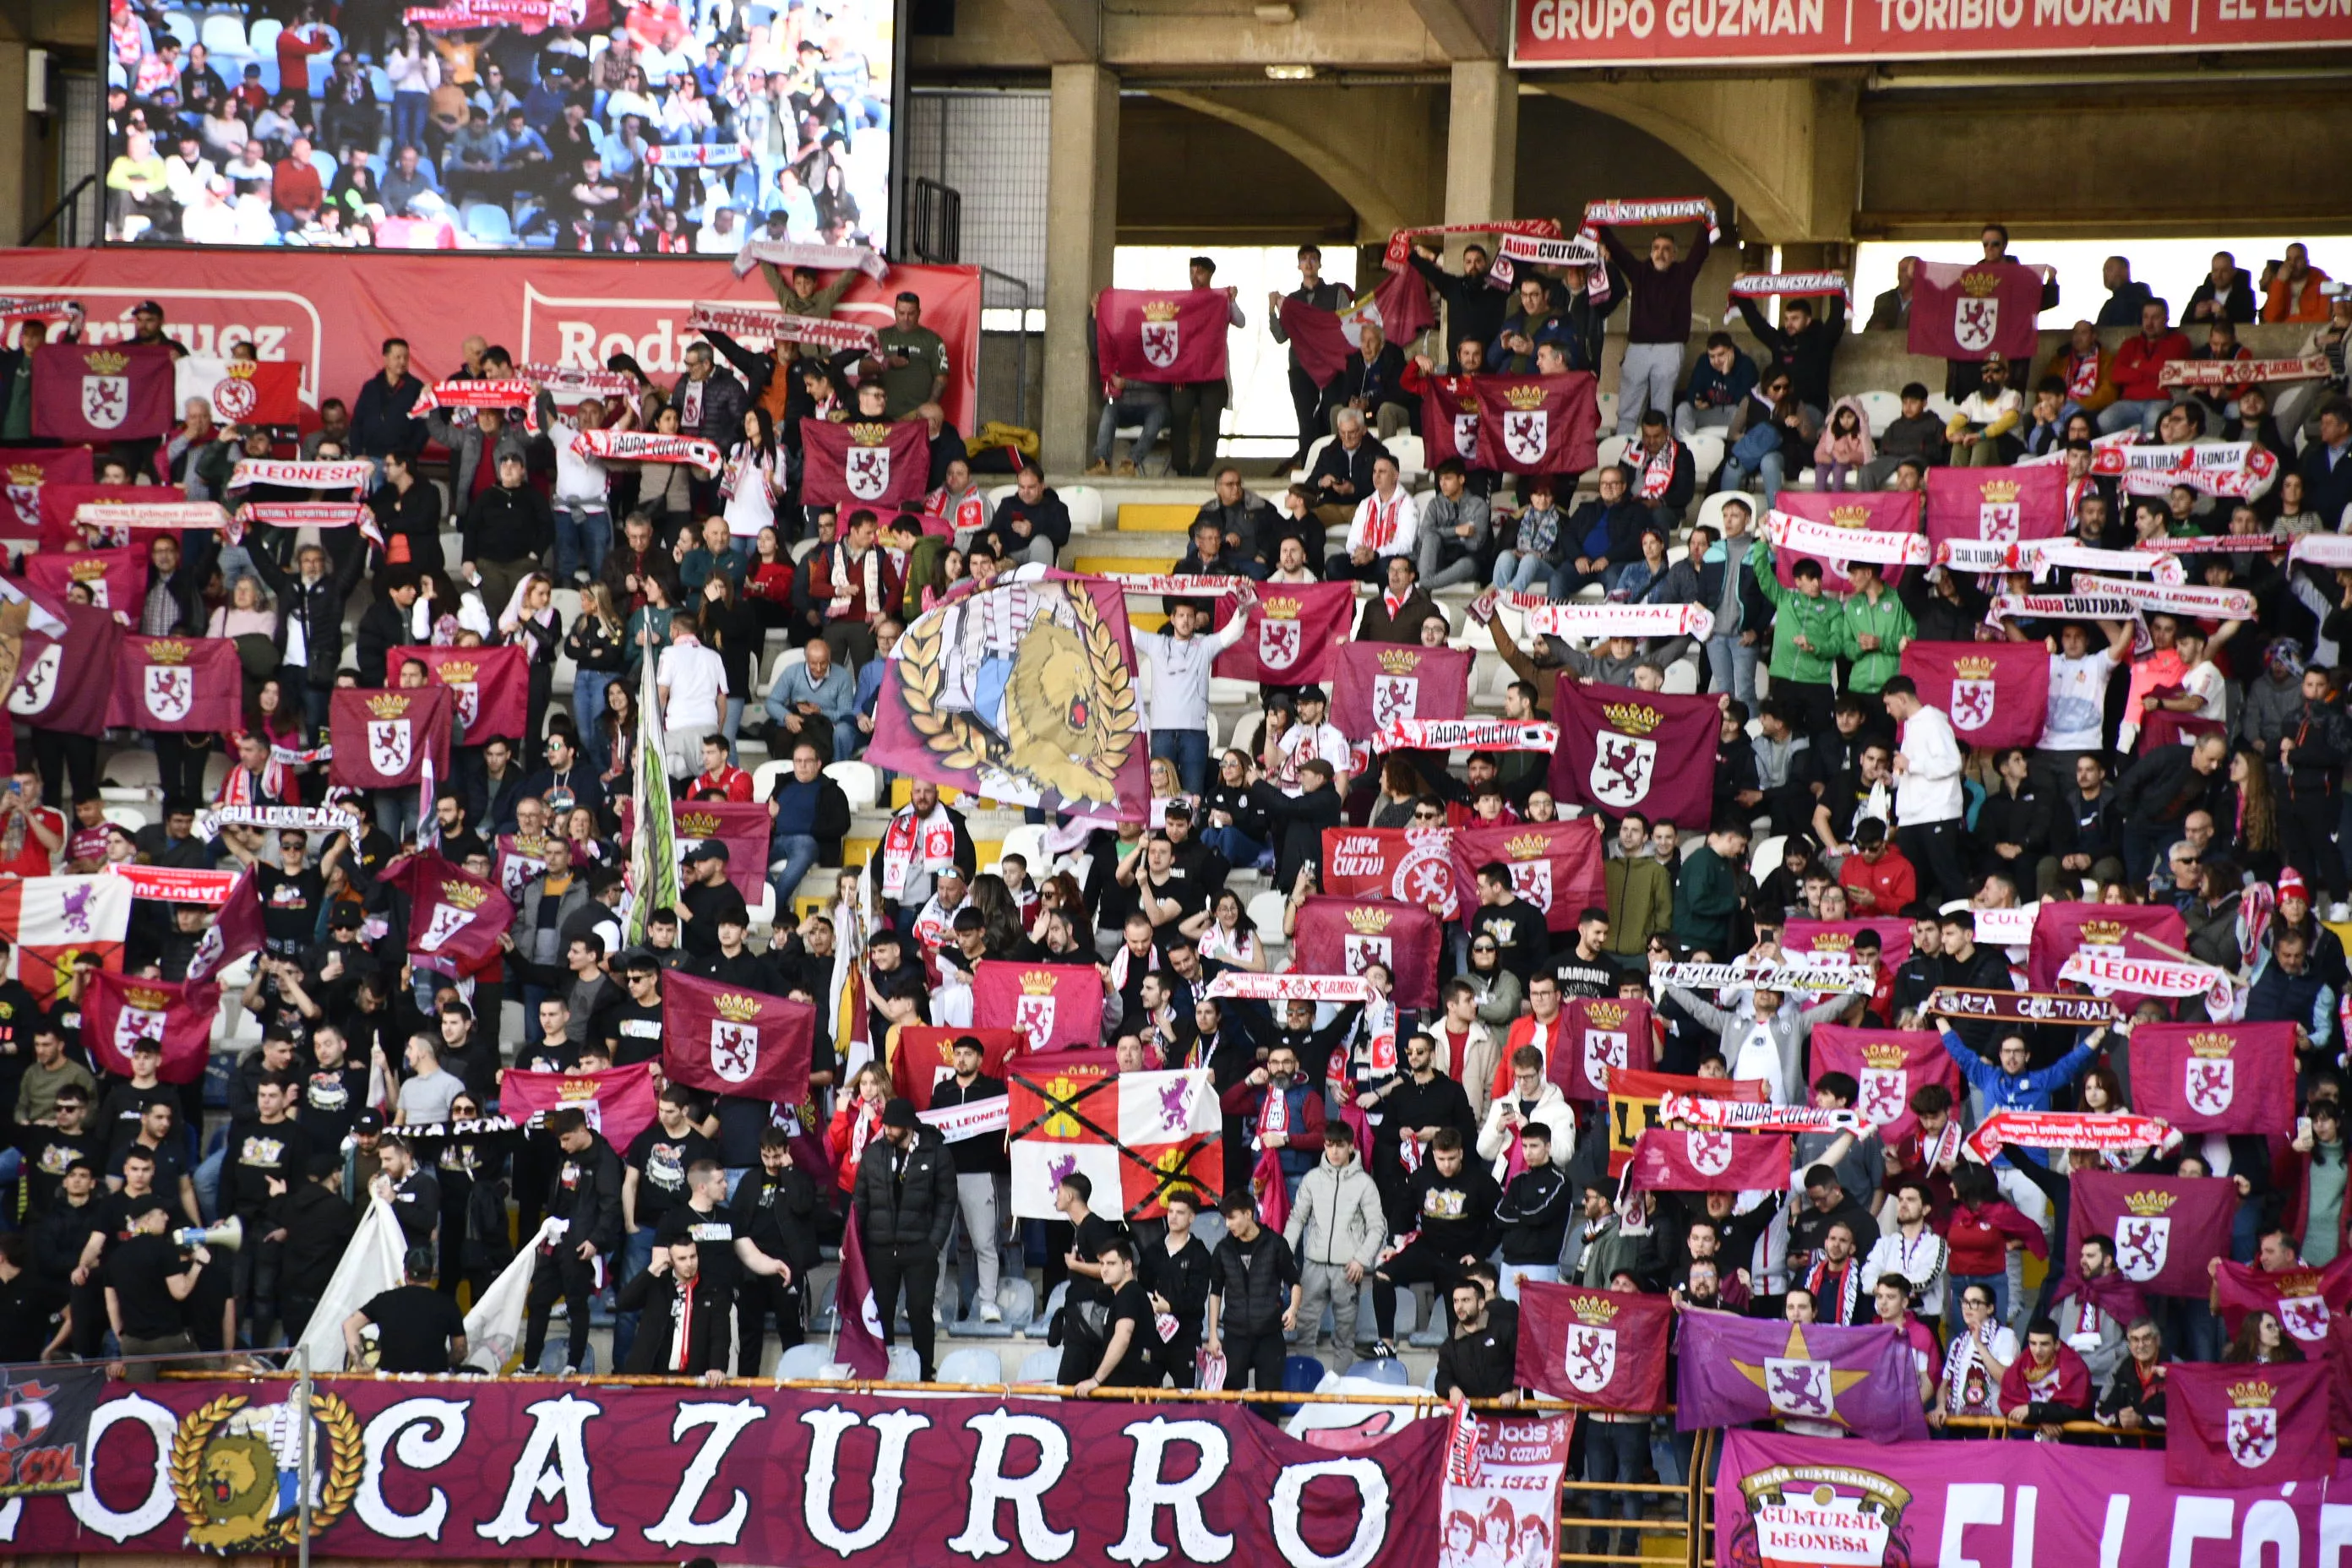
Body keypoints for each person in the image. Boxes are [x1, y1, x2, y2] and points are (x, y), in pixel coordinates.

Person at [852, 1097, 956, 1380]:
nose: (888, 1130)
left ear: (909, 1127)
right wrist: (849, 1241)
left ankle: (924, 1372)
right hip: (881, 1248)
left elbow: (947, 1201)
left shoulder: (935, 1152)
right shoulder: (874, 1154)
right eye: (886, 1124)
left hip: (920, 1248)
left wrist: (934, 1242)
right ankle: (885, 1367)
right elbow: (859, 1201)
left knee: (919, 1311)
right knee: (882, 1309)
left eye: (894, 1126)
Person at [520, 1108, 623, 1375]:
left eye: (566, 1139)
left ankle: (574, 1364)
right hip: (556, 1238)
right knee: (538, 1300)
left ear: (582, 1130)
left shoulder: (605, 1160)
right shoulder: (565, 1156)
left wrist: (595, 1241)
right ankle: (530, 1364)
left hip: (581, 1243)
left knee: (577, 1304)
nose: (563, 1146)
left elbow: (611, 1205)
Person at [1282, 1123, 1386, 1366]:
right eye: (1330, 1146)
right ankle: (1305, 1389)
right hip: (1313, 1265)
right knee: (1305, 1331)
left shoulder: (1365, 1184)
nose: (1335, 1152)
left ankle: (1340, 1394)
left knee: (1345, 1334)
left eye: (1340, 1146)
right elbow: (1297, 1218)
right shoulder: (1312, 1179)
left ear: (1351, 1146)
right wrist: (1285, 1254)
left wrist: (1361, 1259)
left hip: (1347, 1269)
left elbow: (1377, 1227)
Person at [1206, 1191, 1302, 1413]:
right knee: (1231, 1403)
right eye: (1226, 1219)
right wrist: (1212, 1334)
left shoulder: (1276, 1244)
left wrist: (1293, 1309)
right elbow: (1215, 1293)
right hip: (1235, 1334)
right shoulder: (1223, 1249)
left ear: (1248, 1214)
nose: (1228, 1224)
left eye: (1232, 1217)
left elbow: (1294, 1282)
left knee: (1269, 1400)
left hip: (1269, 1335)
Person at [618, 1233, 732, 1380]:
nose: (690, 1263)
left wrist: (717, 1366)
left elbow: (720, 1333)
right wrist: (651, 1269)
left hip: (693, 1378)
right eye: (682, 1259)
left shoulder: (714, 1289)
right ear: (671, 1261)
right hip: (650, 1375)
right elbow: (622, 1303)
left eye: (693, 1256)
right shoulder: (657, 1283)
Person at [344, 1245, 467, 1373]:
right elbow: (460, 1351)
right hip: (433, 1383)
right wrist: (442, 1361)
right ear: (432, 1272)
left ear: (406, 1273)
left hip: (392, 1382)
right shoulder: (447, 1304)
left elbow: (350, 1325)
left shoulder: (384, 1300)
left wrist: (360, 1364)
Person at [1434, 1276, 1518, 1400]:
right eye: (1456, 1301)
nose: (1459, 1306)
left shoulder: (1506, 1330)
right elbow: (1442, 1377)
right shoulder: (1449, 1345)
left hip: (1513, 1415)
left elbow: (1527, 1368)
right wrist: (1451, 1388)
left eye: (1465, 1300)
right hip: (1473, 1416)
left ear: (1481, 1303)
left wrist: (1515, 1392)